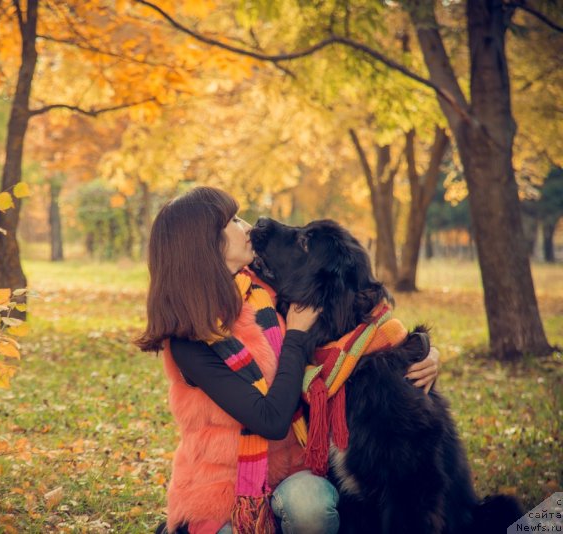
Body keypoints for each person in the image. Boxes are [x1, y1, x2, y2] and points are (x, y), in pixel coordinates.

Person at [136, 186, 439, 534]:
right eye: (233, 220)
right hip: (224, 493)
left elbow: (354, 317)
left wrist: (423, 349)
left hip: (288, 476)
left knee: (311, 504)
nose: (247, 225)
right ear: (205, 245)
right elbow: (271, 420)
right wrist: (294, 337)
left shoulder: (263, 293)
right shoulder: (190, 344)